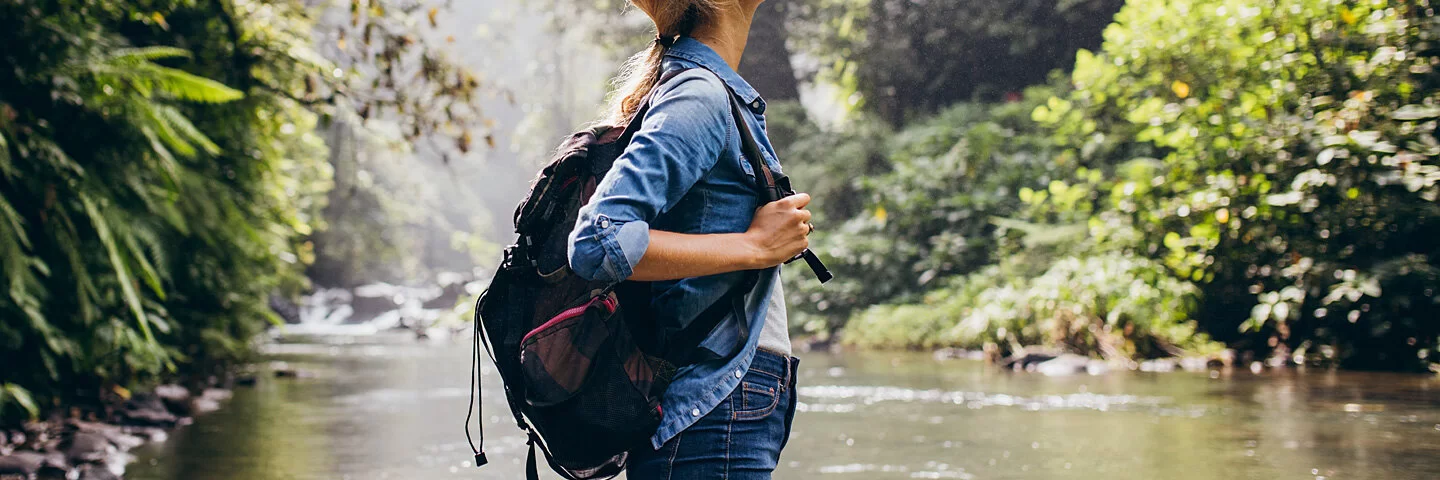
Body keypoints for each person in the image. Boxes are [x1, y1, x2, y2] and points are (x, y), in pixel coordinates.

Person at [565, 0, 810, 477]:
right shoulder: (700, 95)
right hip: (713, 401)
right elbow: (599, 241)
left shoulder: (708, 91)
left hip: (724, 398)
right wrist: (755, 246)